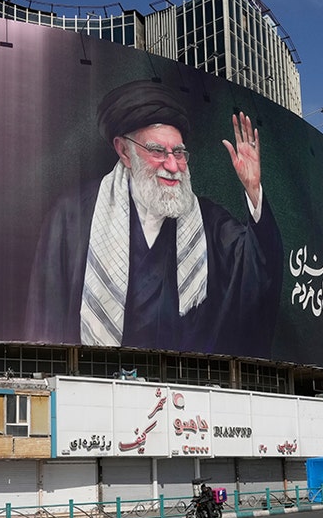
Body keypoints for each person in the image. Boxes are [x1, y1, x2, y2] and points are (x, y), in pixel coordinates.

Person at [26, 80, 283, 357]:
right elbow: (46, 322)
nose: (172, 166)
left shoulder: (209, 222)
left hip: (184, 384)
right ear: (124, 151)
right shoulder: (72, 218)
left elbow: (257, 268)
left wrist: (253, 189)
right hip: (95, 380)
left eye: (179, 153)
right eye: (158, 152)